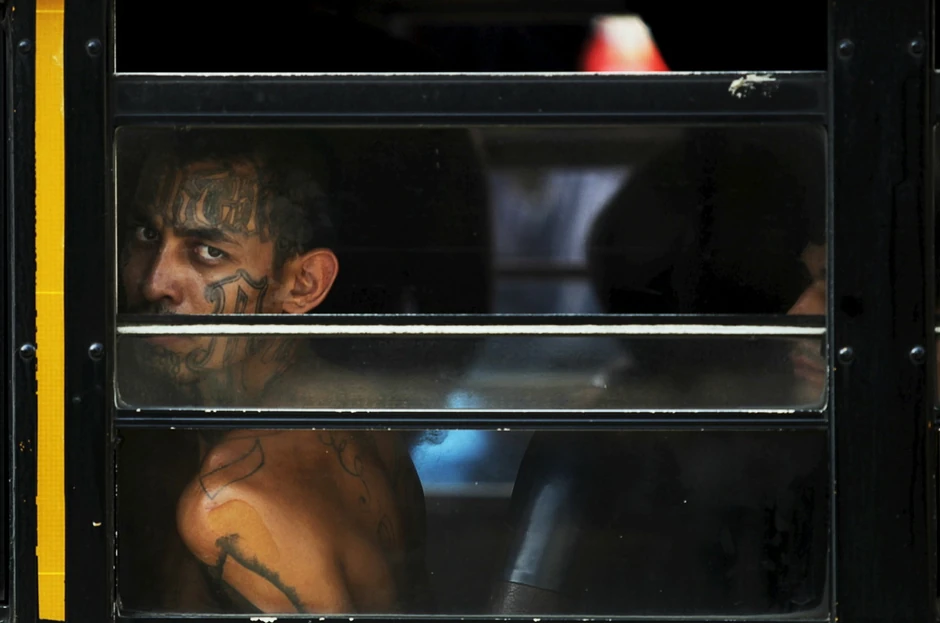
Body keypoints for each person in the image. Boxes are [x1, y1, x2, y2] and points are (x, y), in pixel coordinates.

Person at [115, 128, 430, 615]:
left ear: (302, 284)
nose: (154, 283)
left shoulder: (230, 510)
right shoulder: (357, 410)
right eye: (146, 235)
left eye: (208, 252)